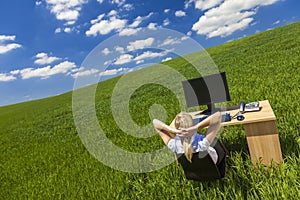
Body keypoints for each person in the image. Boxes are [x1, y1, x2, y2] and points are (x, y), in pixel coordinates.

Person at [153, 111, 222, 163]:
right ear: (192, 124)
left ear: (177, 128)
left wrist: (172, 130)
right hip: (210, 167)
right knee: (216, 143)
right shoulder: (202, 143)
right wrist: (195, 128)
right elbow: (218, 115)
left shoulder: (173, 144)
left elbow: (155, 122)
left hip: (194, 173)